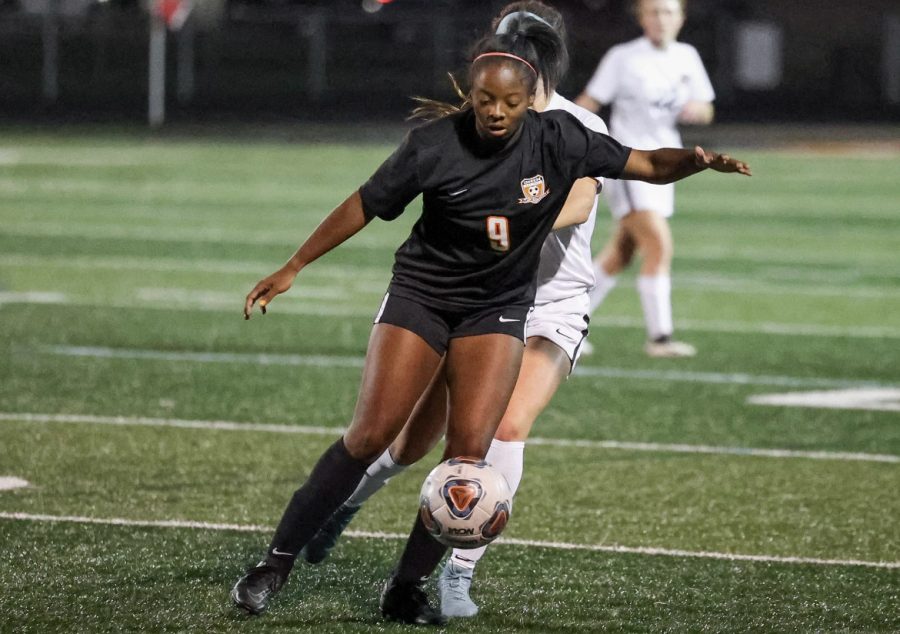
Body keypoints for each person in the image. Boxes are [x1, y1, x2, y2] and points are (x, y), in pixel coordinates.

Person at [230, 22, 750, 627]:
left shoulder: (561, 138)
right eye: (485, 101)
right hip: (421, 298)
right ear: (470, 95)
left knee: (467, 461)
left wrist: (694, 160)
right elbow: (364, 204)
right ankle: (275, 562)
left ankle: (405, 588)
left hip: (496, 310)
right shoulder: (435, 143)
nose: (497, 113)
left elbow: (643, 163)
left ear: (532, 99)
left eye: (509, 102)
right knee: (370, 437)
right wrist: (294, 265)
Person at [296, 1, 612, 620]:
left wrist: (512, 211)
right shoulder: (477, 121)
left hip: (549, 307)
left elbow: (575, 204)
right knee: (410, 442)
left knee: (507, 428)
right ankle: (343, 503)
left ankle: (456, 572)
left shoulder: (576, 127)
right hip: (473, 300)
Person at [575, 0, 716, 358]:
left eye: (668, 12)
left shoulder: (687, 56)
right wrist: (560, 131)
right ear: (641, 18)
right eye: (653, 12)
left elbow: (706, 105)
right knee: (659, 245)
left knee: (622, 252)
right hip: (630, 163)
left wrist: (699, 110)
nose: (660, 19)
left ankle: (566, 322)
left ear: (681, 19)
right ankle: (660, 338)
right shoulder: (623, 57)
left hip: (667, 165)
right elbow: (590, 101)